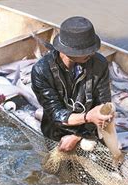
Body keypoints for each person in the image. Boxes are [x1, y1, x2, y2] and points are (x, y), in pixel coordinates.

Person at [31, 16, 113, 152]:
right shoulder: (41, 71)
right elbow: (55, 113)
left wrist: (78, 135)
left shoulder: (99, 64)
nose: (93, 53)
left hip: (90, 130)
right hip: (56, 132)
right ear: (66, 50)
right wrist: (88, 117)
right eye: (86, 50)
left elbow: (104, 107)